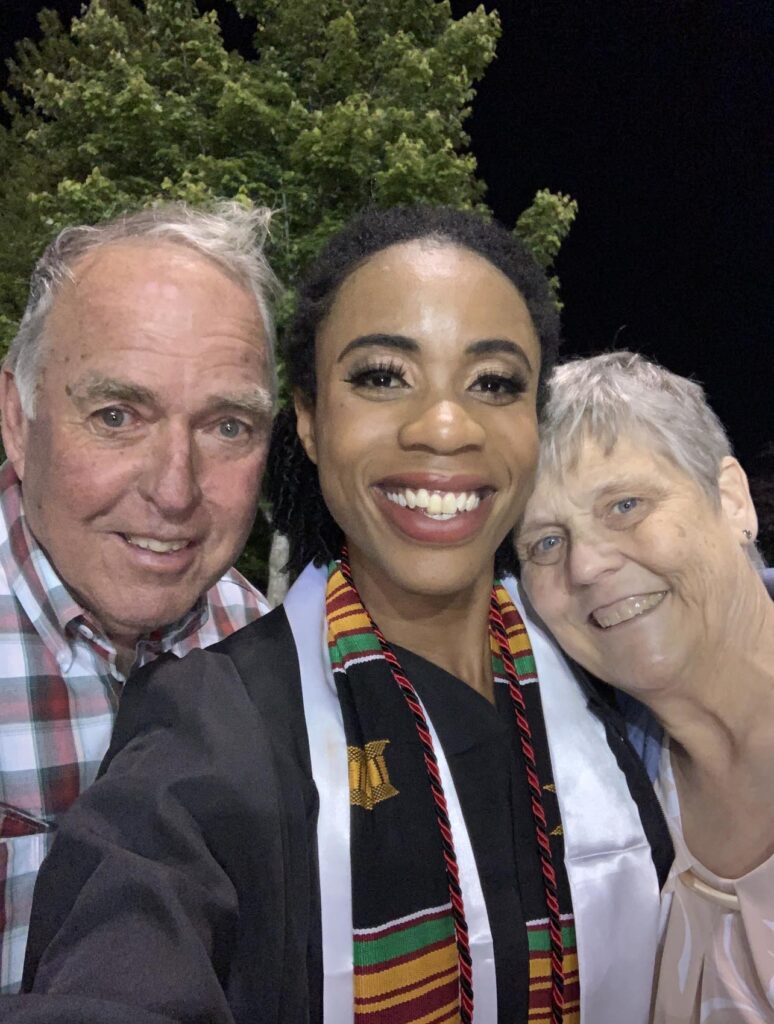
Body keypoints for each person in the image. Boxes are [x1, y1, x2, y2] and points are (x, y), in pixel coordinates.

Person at [9, 208, 672, 1024]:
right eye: (383, 376)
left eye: (495, 382)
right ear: (312, 420)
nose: (443, 425)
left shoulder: (609, 674)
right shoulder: (214, 724)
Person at [0, 201, 278, 992]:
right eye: (117, 415)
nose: (174, 489)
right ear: (18, 422)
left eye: (227, 427)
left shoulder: (273, 659)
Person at [517, 351, 774, 1023]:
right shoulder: (594, 787)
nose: (587, 565)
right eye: (545, 542)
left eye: (625, 505)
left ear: (733, 499)